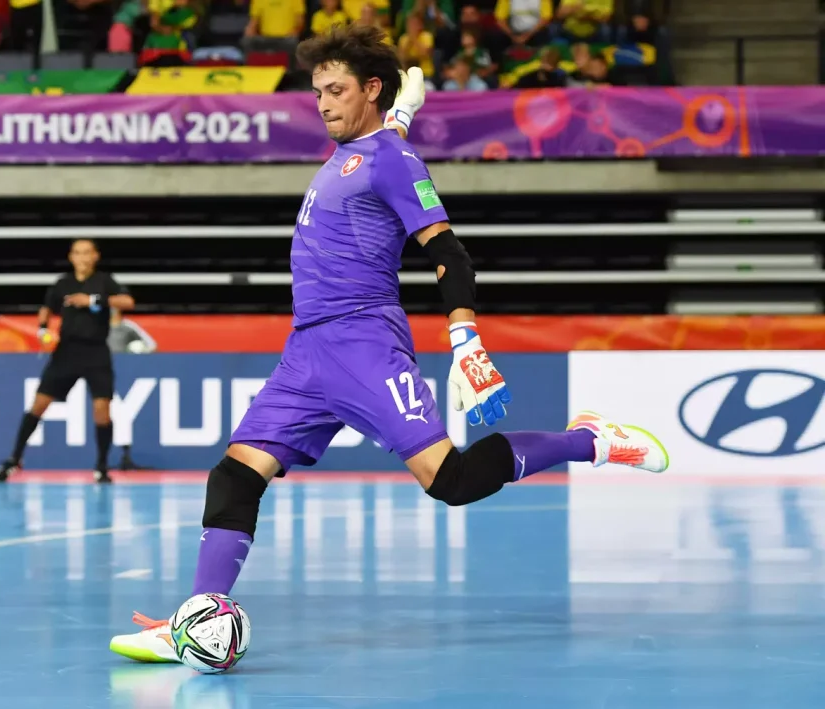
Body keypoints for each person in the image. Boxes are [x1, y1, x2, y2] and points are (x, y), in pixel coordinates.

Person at [109, 24, 668, 664]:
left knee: (449, 480)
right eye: (318, 91)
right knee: (236, 475)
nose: (323, 103)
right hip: (306, 353)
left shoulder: (396, 161)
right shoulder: (365, 148)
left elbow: (448, 252)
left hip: (364, 344)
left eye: (337, 90)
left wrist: (465, 339)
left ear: (369, 88)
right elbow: (379, 145)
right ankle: (196, 618)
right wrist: (400, 113)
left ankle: (590, 440)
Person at [0, 239, 135, 484]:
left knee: (102, 411)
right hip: (66, 351)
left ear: (95, 256)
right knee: (39, 405)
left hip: (96, 352)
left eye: (87, 252)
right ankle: (14, 458)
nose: (82, 257)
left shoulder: (105, 281)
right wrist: (42, 329)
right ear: (71, 257)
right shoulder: (63, 284)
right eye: (78, 253)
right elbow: (46, 309)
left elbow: (128, 302)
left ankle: (101, 466)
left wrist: (92, 300)